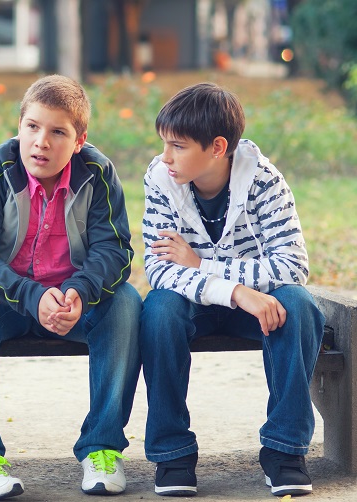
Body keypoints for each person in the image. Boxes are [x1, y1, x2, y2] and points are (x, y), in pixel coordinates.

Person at [0, 74, 142, 500]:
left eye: (57, 132)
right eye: (32, 127)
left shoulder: (98, 173)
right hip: (7, 302)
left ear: (79, 140)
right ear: (19, 128)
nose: (41, 142)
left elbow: (116, 250)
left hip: (72, 302)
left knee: (125, 302)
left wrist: (79, 291)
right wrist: (32, 297)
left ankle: (102, 447)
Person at [139, 82, 325, 497]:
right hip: (198, 301)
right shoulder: (161, 180)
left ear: (217, 147)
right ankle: (172, 455)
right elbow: (159, 269)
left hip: (256, 307)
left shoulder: (264, 182)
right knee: (159, 309)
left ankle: (284, 450)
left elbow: (293, 265)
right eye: (164, 144)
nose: (165, 156)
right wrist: (237, 291)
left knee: (298, 304)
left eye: (178, 146)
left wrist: (203, 263)